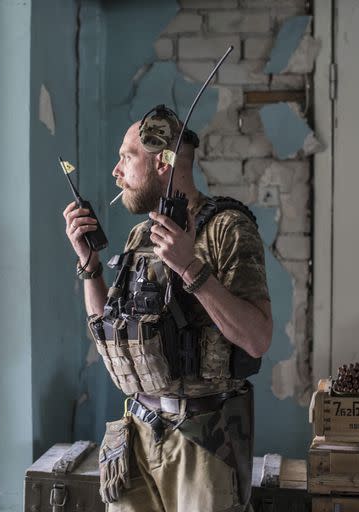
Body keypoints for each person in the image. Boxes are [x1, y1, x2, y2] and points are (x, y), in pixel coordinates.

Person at [63, 107, 273, 512]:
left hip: (202, 443)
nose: (116, 170)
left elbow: (257, 338)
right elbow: (112, 327)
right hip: (137, 434)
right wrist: (89, 266)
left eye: (127, 156)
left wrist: (189, 266)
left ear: (162, 162)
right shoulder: (141, 235)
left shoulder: (228, 228)